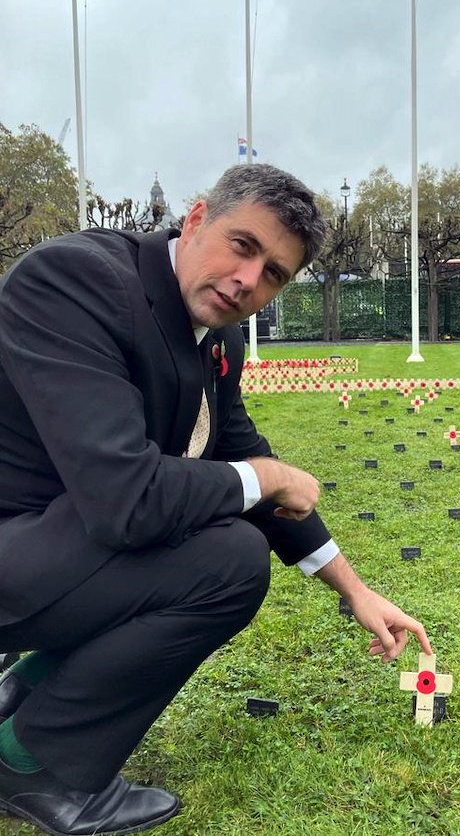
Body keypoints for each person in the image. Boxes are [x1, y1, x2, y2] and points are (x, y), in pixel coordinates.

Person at [0, 163, 432, 836]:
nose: (247, 281)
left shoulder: (217, 331)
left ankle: (22, 692)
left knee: (214, 537)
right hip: (17, 542)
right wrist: (270, 477)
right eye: (243, 245)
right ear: (197, 219)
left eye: (274, 274)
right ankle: (34, 764)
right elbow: (127, 499)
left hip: (55, 545)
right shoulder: (75, 281)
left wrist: (353, 589)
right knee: (226, 558)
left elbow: (234, 446)